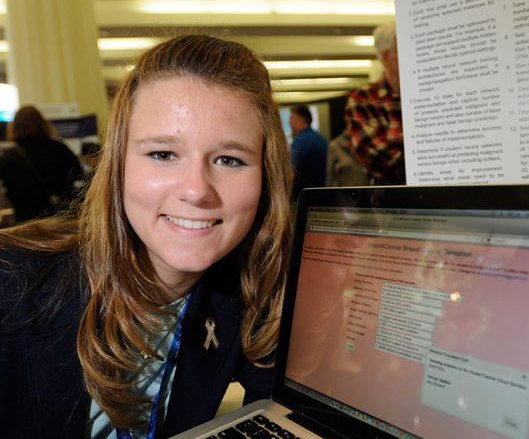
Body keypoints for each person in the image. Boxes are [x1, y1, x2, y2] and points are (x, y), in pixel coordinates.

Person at [0, 35, 292, 438]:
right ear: (118, 165)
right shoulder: (11, 283)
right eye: (163, 154)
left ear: (266, 178)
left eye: (229, 159)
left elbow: (288, 407)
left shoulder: (245, 292)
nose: (196, 190)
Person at [344, 21, 404, 185]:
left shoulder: (430, 96)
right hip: (391, 202)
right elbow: (376, 157)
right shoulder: (364, 98)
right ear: (385, 57)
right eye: (404, 49)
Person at [0, 105, 85, 222]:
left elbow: (7, 190)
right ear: (41, 123)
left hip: (26, 221)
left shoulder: (9, 156)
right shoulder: (59, 148)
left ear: (14, 127)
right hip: (61, 217)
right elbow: (79, 175)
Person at [288, 104, 327, 199]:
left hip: (305, 197)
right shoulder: (322, 139)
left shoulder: (300, 140)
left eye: (292, 119)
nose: (289, 122)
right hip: (322, 194)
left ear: (301, 121)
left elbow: (291, 172)